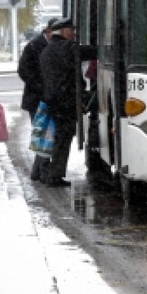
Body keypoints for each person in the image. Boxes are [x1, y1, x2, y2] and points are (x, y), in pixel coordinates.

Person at [39, 18, 96, 187]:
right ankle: (54, 176)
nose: (74, 34)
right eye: (71, 30)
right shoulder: (67, 48)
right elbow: (92, 51)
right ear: (63, 32)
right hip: (65, 102)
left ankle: (47, 172)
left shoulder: (47, 51)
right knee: (62, 140)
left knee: (53, 138)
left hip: (52, 100)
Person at [18, 17, 58, 182]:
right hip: (36, 99)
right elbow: (23, 70)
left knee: (46, 135)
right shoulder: (34, 45)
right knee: (43, 134)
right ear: (48, 31)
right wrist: (41, 86)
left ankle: (38, 171)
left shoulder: (50, 45)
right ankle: (42, 171)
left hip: (48, 97)